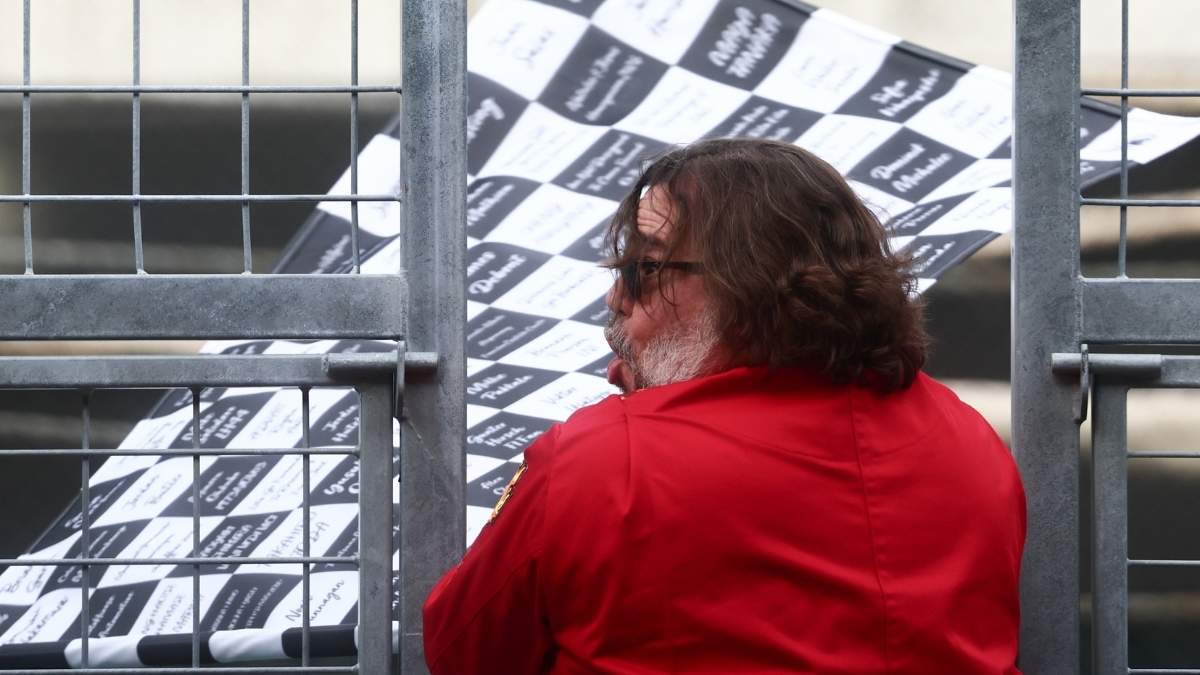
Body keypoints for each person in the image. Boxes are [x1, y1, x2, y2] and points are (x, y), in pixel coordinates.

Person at [423, 138, 1025, 674]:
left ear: (746, 282)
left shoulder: (600, 458)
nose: (616, 294)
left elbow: (461, 651)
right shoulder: (968, 435)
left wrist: (641, 430)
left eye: (645, 268)